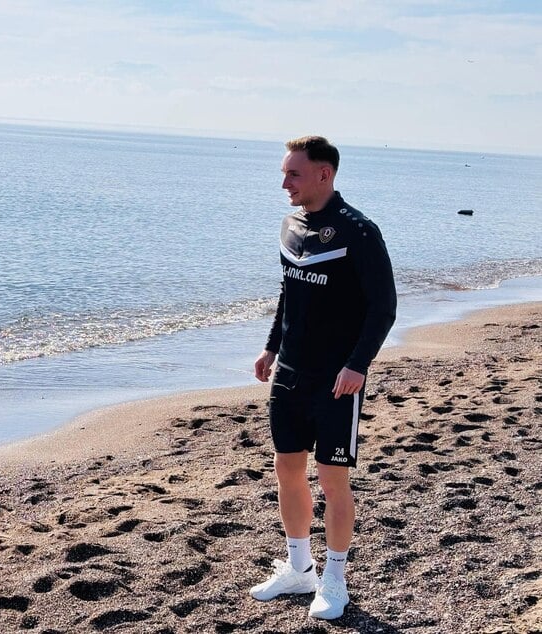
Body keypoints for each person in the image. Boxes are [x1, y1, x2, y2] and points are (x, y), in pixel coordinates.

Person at [250, 136, 396, 620]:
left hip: (338, 380)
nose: (284, 182)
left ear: (324, 174)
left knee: (333, 480)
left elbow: (383, 308)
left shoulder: (359, 231)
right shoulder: (291, 226)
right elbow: (288, 294)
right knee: (286, 471)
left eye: (293, 173)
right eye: (284, 172)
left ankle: (335, 579)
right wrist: (272, 347)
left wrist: (358, 364)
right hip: (290, 372)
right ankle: (299, 569)